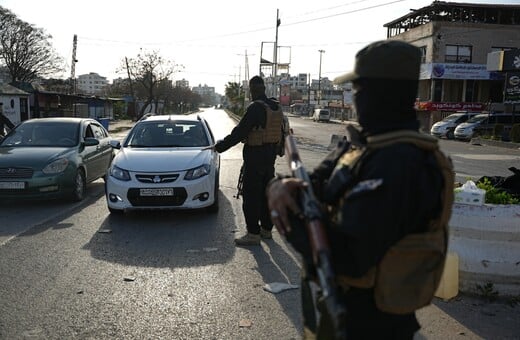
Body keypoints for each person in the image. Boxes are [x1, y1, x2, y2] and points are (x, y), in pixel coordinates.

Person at [267, 40, 454, 339]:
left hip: (374, 325)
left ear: (373, 94)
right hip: (337, 307)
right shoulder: (363, 146)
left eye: (356, 90)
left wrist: (286, 218)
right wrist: (280, 186)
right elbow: (313, 184)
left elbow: (349, 259)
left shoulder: (402, 164)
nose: (354, 99)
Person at [214, 76, 284, 246]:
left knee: (251, 197)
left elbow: (240, 132)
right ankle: (266, 230)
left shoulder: (255, 108)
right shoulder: (275, 106)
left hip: (255, 158)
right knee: (267, 195)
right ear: (264, 89)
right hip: (270, 158)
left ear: (252, 90)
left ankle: (253, 233)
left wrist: (220, 146)